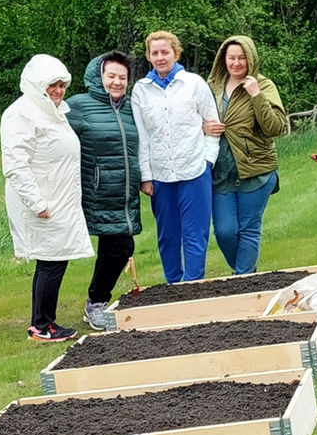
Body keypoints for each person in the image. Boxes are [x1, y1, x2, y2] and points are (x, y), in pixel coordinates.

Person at [1, 54, 93, 342]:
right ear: (37, 85)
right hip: (42, 202)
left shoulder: (52, 112)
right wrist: (37, 203)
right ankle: (41, 326)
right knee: (51, 261)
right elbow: (16, 164)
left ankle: (45, 322)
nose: (58, 90)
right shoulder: (21, 114)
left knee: (55, 259)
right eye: (52, 85)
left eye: (61, 84)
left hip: (58, 198)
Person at [130, 30, 218, 283]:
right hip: (160, 175)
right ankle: (173, 284)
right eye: (154, 53)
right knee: (168, 235)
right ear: (148, 56)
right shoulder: (141, 91)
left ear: (176, 53)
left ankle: (192, 285)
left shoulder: (194, 83)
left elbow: (213, 125)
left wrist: (207, 162)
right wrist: (146, 177)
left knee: (195, 233)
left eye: (165, 52)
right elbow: (142, 137)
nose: (160, 57)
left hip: (194, 170)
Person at [65, 51, 140, 331]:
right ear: (98, 76)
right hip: (88, 191)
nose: (117, 82)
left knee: (121, 247)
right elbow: (56, 142)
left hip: (122, 194)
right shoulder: (78, 106)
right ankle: (43, 318)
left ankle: (96, 303)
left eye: (122, 77)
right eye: (111, 76)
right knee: (58, 254)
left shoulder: (133, 107)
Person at [205, 35, 289, 274]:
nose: (236, 63)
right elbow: (192, 120)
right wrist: (204, 127)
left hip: (256, 172)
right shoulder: (212, 86)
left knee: (249, 228)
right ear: (223, 59)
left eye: (242, 58)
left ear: (250, 59)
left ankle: (243, 281)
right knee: (224, 231)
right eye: (231, 57)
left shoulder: (264, 86)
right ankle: (245, 273)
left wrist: (256, 96)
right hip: (220, 173)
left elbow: (275, 127)